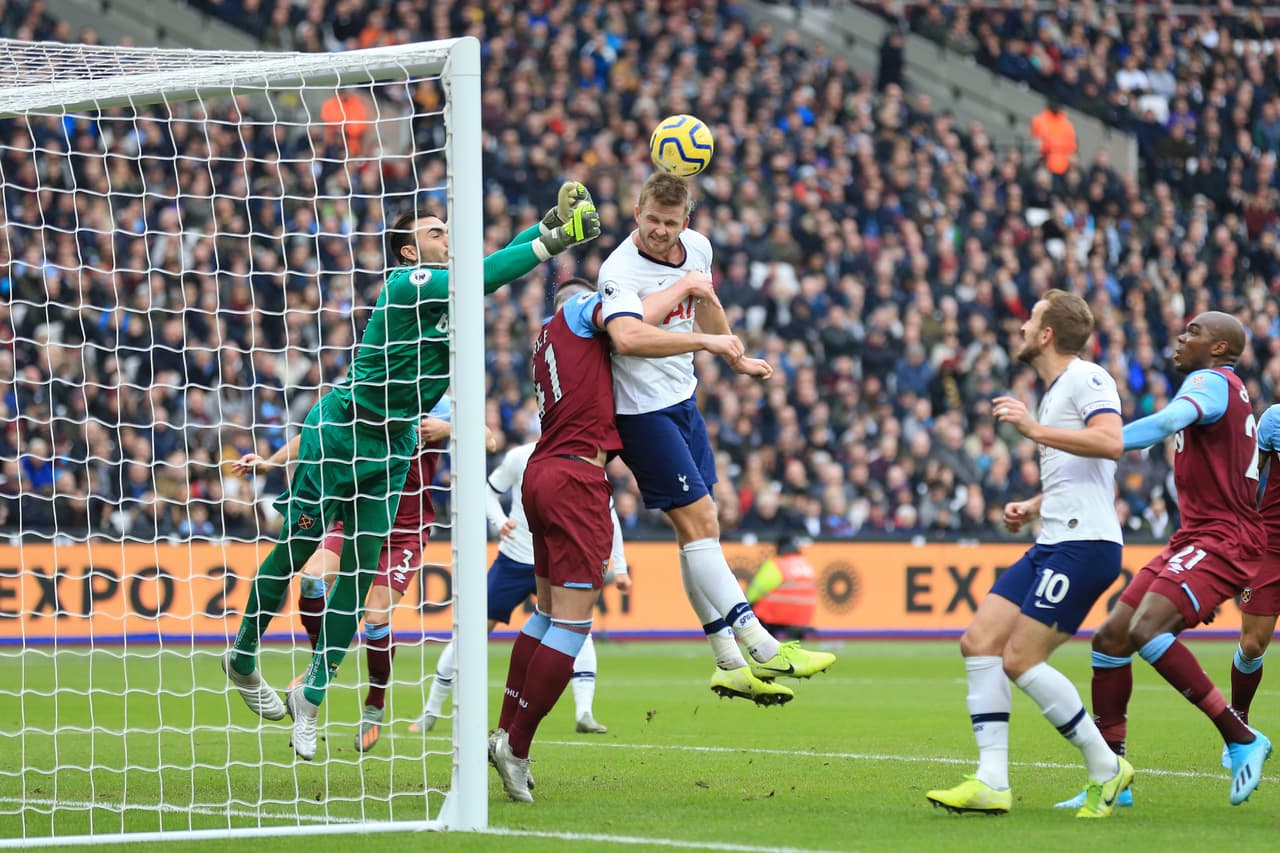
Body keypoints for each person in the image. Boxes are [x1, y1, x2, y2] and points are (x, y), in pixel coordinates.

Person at [222, 182, 601, 761]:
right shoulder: (409, 285)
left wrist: (548, 222)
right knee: (297, 555)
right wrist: (553, 241)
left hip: (393, 447)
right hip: (341, 430)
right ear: (408, 252)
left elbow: (486, 267)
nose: (445, 237)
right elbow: (485, 274)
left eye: (446, 230)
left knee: (357, 579)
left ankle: (313, 697)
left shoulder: (449, 287)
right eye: (433, 232)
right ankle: (243, 656)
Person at [489, 276, 747, 803]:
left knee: (544, 613)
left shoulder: (544, 339)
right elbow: (634, 324)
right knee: (573, 622)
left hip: (541, 473)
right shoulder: (586, 310)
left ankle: (503, 731)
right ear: (588, 304)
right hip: (576, 478)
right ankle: (517, 747)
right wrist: (689, 290)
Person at [597, 172, 834, 706]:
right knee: (701, 520)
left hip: (682, 399)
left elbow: (706, 302)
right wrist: (702, 333)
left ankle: (727, 662)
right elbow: (627, 337)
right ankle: (761, 644)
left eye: (670, 222)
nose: (659, 231)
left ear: (688, 221)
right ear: (636, 211)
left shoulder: (697, 249)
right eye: (651, 219)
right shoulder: (618, 270)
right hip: (639, 412)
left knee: (701, 531)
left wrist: (734, 353)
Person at [925, 290, 1133, 818]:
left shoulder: (1087, 378)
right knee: (979, 643)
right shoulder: (1057, 389)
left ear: (1046, 335)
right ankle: (992, 780)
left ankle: (1105, 765)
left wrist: (1035, 430)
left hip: (1085, 544)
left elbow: (1111, 443)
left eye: (1030, 320)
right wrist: (1035, 505)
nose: (1020, 328)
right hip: (1054, 537)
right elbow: (1081, 475)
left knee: (1019, 659)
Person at [1071, 311, 1270, 807]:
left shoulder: (1211, 380)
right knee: (1111, 637)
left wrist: (1106, 441)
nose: (1181, 338)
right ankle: (1112, 776)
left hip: (1222, 537)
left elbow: (1166, 422)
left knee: (1146, 630)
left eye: (1194, 332)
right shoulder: (1227, 388)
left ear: (1220, 348)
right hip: (1194, 536)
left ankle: (1241, 737)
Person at [234, 396, 495, 754]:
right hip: (352, 520)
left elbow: (489, 438)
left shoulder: (437, 404)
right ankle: (320, 665)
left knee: (374, 617)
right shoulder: (367, 393)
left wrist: (448, 429)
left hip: (403, 531)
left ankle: (375, 703)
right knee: (310, 578)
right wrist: (270, 463)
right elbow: (315, 434)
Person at [409, 437, 630, 736]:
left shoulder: (589, 462)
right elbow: (489, 491)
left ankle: (584, 712)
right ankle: (431, 711)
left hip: (556, 559)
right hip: (515, 558)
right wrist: (498, 521)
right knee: (472, 630)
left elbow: (610, 514)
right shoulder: (520, 457)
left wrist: (621, 566)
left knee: (576, 628)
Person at [1221, 403, 1280, 766]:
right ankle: (1238, 726)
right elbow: (1249, 476)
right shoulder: (1274, 418)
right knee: (1253, 643)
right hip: (1270, 547)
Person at [744, 536, 817, 641]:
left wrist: (747, 604)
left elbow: (755, 592)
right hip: (803, 617)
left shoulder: (776, 564)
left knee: (752, 611)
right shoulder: (806, 565)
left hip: (777, 616)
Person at [1029, 99, 1077, 176]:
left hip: (1064, 168)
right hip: (1043, 163)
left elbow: (1072, 147)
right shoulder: (1038, 120)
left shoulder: (1067, 125)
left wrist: (1051, 143)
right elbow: (1036, 143)